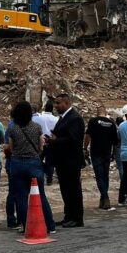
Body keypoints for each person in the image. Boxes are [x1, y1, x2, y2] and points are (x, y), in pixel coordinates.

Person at [6, 101, 56, 234]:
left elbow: (10, 148)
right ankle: (50, 225)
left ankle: (25, 225)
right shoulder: (37, 127)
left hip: (17, 163)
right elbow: (40, 146)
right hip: (34, 162)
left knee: (21, 196)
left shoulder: (13, 128)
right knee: (40, 195)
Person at [46, 93, 86, 228]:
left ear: (66, 103)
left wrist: (56, 140)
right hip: (63, 160)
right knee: (66, 189)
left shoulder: (74, 118)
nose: (55, 106)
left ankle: (77, 218)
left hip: (71, 160)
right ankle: (69, 215)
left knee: (73, 189)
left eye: (58, 103)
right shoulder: (64, 118)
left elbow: (74, 139)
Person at [85, 106, 119, 210]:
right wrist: (113, 154)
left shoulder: (93, 121)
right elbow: (115, 142)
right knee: (105, 176)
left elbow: (87, 136)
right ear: (106, 112)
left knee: (99, 176)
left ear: (97, 113)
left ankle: (105, 197)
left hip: (96, 152)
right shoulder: (111, 123)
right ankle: (103, 200)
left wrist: (84, 147)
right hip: (107, 153)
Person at [39, 101, 59, 185]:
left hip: (41, 141)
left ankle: (40, 176)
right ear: (52, 109)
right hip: (51, 142)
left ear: (45, 107)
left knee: (38, 160)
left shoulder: (40, 117)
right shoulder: (56, 119)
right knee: (50, 162)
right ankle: (49, 180)